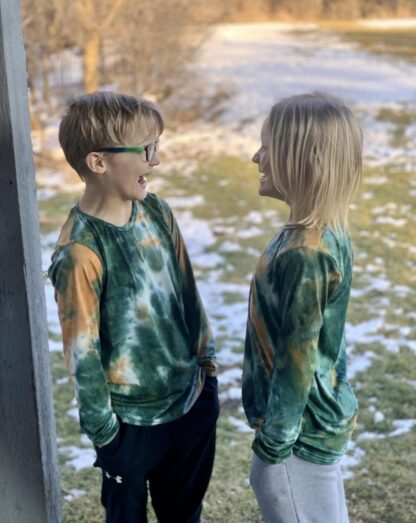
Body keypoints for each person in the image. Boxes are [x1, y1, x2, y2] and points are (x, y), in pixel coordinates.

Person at [48, 91, 219, 523]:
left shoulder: (157, 211)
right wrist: (106, 434)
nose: (155, 161)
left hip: (190, 400)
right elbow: (82, 353)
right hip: (129, 425)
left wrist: (207, 368)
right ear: (98, 162)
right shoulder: (80, 252)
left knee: (185, 515)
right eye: (145, 150)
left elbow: (187, 291)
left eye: (155, 146)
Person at [242, 92, 363, 523]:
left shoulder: (306, 253)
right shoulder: (318, 235)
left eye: (267, 147)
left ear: (303, 160)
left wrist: (274, 445)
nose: (256, 157)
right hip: (306, 426)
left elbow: (298, 358)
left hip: (297, 438)